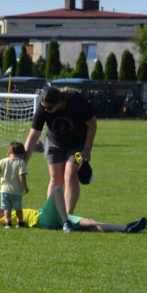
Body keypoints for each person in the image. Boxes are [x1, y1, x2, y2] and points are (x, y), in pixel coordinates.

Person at [23, 85, 97, 214]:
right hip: (54, 143)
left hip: (78, 144)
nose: (46, 110)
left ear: (59, 103)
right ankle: (51, 214)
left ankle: (67, 216)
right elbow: (33, 136)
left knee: (70, 175)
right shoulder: (43, 108)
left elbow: (92, 123)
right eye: (44, 106)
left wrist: (87, 149)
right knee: (56, 177)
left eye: (49, 108)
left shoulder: (76, 101)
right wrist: (22, 165)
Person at [0, 186, 146, 233]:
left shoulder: (11, 214)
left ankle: (126, 228)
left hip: (47, 216)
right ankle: (65, 222)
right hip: (44, 219)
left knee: (91, 224)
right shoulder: (5, 220)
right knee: (56, 190)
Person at [0, 141, 29, 228]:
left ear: (8, 154)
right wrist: (25, 187)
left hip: (5, 190)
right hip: (17, 191)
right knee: (18, 208)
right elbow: (22, 176)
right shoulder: (21, 163)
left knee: (7, 208)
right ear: (23, 154)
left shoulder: (3, 161)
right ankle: (20, 222)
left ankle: (8, 223)